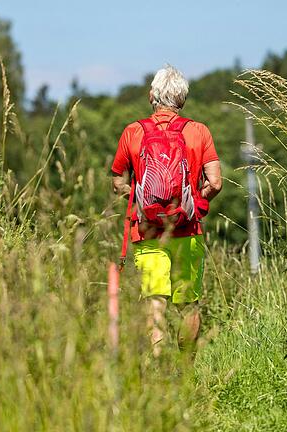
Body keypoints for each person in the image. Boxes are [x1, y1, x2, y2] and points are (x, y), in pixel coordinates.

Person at [110, 65, 222, 358]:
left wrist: (139, 200)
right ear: (182, 100)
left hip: (147, 233)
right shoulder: (199, 132)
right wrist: (195, 201)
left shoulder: (133, 132)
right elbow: (216, 182)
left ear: (151, 96)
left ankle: (158, 374)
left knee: (155, 302)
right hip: (187, 230)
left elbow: (118, 180)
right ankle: (185, 372)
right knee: (187, 304)